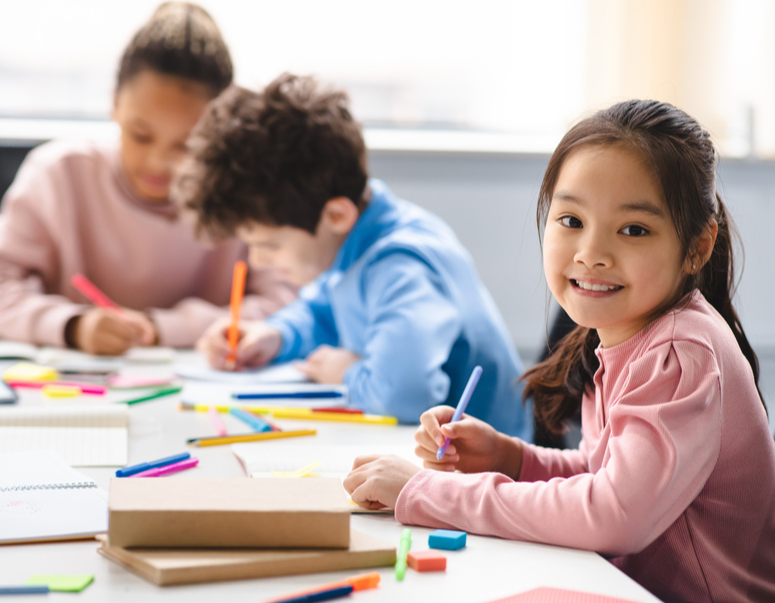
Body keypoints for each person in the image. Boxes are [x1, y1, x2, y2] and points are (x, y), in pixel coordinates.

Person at [343, 100, 775, 603]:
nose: (591, 253)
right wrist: (511, 458)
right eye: (570, 221)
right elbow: (605, 471)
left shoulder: (681, 353)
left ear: (696, 247)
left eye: (633, 229)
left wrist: (429, 492)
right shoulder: (629, 336)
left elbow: (615, 514)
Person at [180, 73, 529, 435]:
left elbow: (406, 394)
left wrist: (345, 372)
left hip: (491, 473)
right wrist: (275, 335)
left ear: (336, 215)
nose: (257, 261)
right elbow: (324, 313)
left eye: (269, 245)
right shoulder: (352, 238)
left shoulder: (399, 264)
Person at [0, 3, 295, 355]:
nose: (159, 163)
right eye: (141, 136)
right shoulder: (60, 173)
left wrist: (167, 329)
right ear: (114, 104)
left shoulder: (244, 193)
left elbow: (293, 307)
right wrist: (73, 325)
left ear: (218, 129)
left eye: (187, 145)